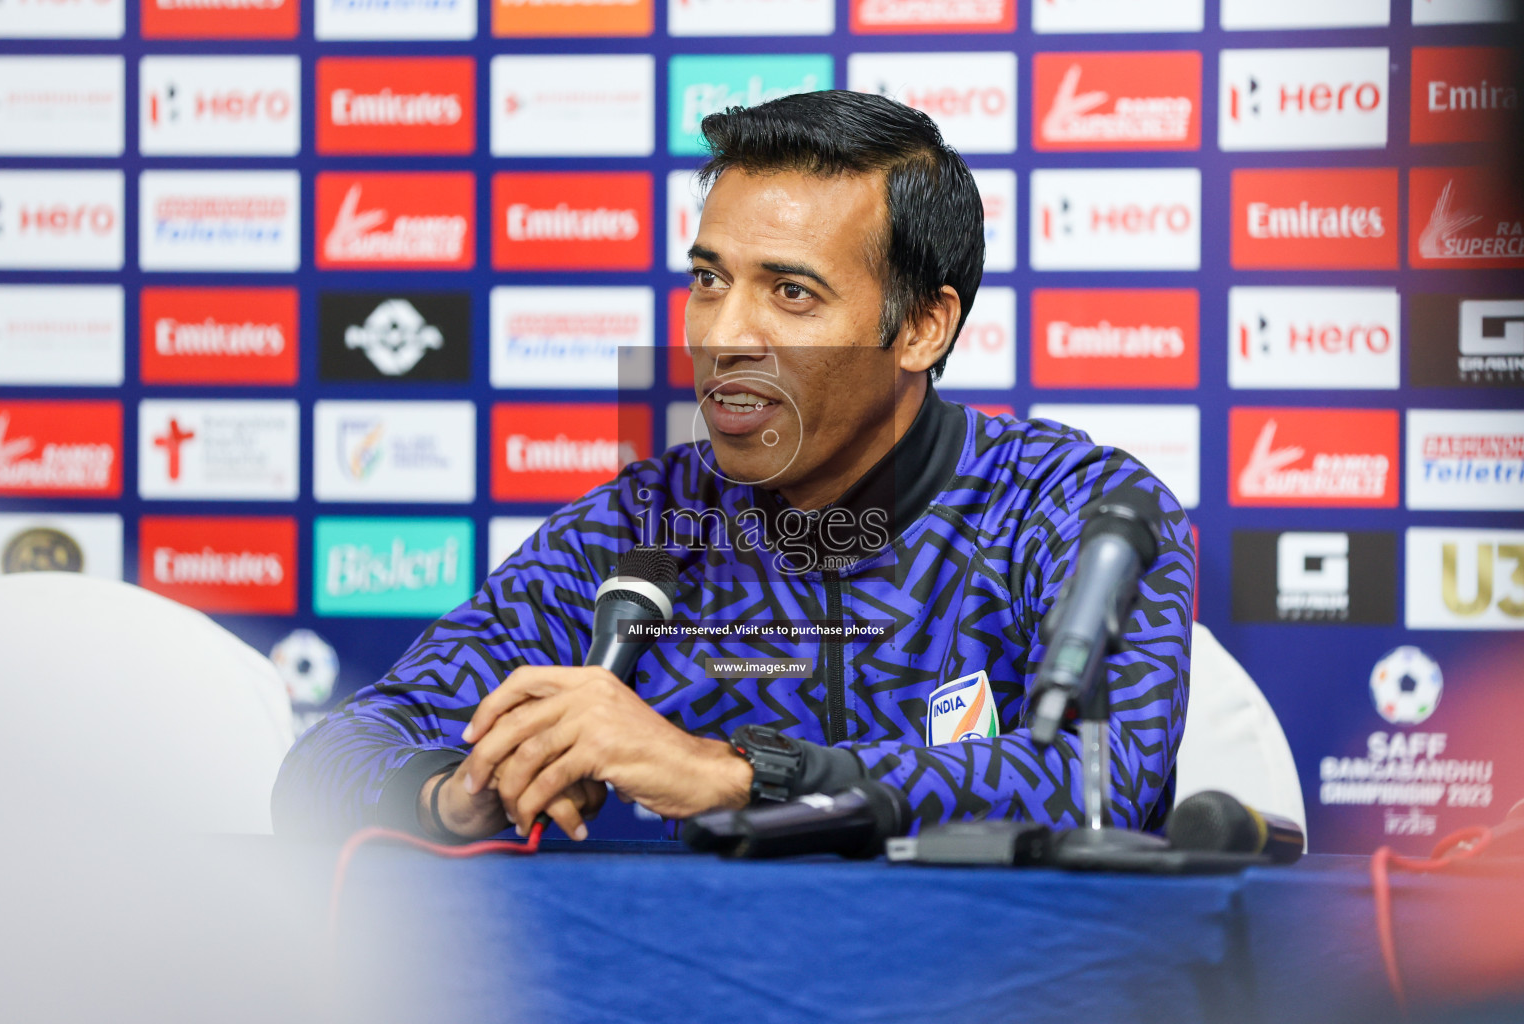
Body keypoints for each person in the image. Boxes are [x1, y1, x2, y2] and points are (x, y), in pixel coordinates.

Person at [272, 90, 1195, 844]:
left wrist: (729, 773)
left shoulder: (1075, 509)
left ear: (922, 327)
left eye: (790, 292)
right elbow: (330, 763)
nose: (721, 335)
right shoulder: (643, 530)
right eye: (709, 279)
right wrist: (454, 792)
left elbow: (1105, 788)